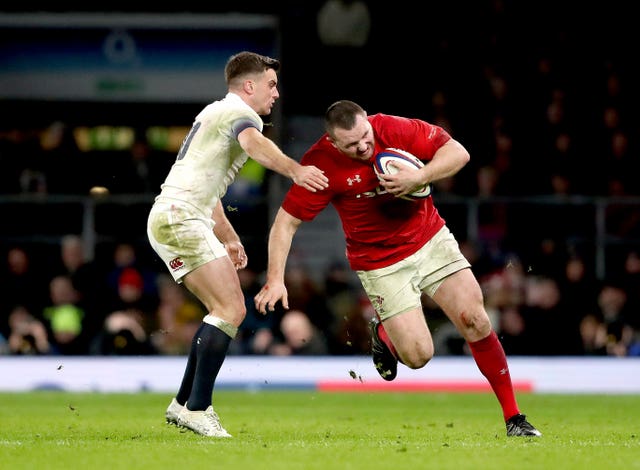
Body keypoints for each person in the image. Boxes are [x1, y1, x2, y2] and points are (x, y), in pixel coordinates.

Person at [254, 100, 541, 437]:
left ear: (368, 122)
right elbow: (285, 224)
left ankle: (514, 418)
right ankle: (385, 333)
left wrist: (419, 176)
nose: (363, 146)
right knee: (419, 357)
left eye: (365, 136)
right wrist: (275, 279)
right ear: (333, 142)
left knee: (475, 319)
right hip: (379, 263)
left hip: (429, 239)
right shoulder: (321, 163)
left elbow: (458, 153)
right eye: (352, 144)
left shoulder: (392, 128)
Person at [146, 51, 328, 438]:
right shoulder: (240, 115)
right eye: (271, 84)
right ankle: (199, 407)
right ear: (249, 86)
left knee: (221, 308)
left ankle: (183, 404)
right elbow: (254, 144)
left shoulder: (215, 113)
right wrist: (296, 170)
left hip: (174, 215)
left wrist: (228, 236)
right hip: (180, 218)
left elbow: (207, 191)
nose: (276, 93)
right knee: (231, 307)